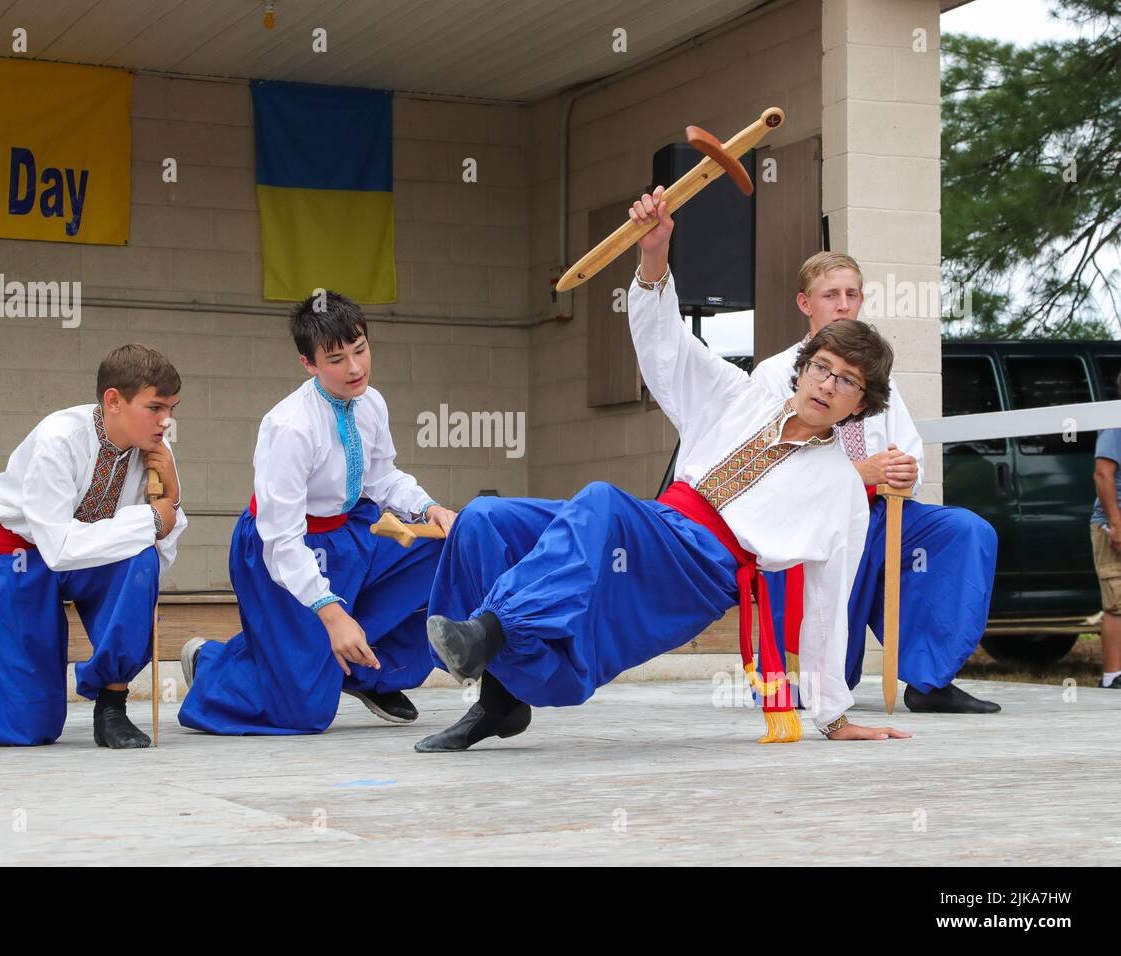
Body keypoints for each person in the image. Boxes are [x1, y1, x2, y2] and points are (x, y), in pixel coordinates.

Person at [415, 186, 911, 752]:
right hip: (654, 527)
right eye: (822, 368)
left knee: (602, 501)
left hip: (701, 570)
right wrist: (654, 253)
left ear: (862, 404)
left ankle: (489, 631)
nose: (828, 385)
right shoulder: (741, 395)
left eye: (848, 381)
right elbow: (666, 349)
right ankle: (498, 701)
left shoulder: (841, 486)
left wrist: (833, 714)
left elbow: (828, 600)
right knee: (486, 518)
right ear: (801, 370)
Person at [177, 291, 457, 735]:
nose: (355, 368)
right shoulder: (290, 427)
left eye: (361, 350)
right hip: (282, 548)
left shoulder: (372, 403)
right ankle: (212, 662)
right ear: (308, 364)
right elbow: (281, 539)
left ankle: (369, 675)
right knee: (304, 713)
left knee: (447, 552)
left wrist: (429, 507)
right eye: (336, 358)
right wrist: (331, 613)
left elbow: (382, 478)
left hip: (353, 534)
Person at [750, 252, 999, 714]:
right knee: (828, 680)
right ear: (806, 303)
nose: (843, 305)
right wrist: (850, 476)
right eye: (831, 296)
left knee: (966, 532)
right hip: (810, 518)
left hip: (882, 513)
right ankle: (800, 677)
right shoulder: (774, 373)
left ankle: (930, 680)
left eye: (852, 295)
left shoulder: (878, 377)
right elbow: (766, 462)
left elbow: (908, 448)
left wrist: (907, 471)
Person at [0, 344, 187, 748]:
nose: (167, 421)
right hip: (17, 555)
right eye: (156, 408)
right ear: (113, 400)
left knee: (140, 560)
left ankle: (112, 704)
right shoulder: (59, 439)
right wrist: (154, 518)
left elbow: (159, 547)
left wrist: (172, 498)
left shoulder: (157, 452)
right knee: (27, 728)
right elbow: (57, 547)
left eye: (172, 409)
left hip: (89, 556)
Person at [1088, 393, 1121, 690]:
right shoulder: (1115, 420)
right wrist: (1116, 524)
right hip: (1114, 524)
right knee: (1117, 602)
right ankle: (1112, 677)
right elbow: (1103, 474)